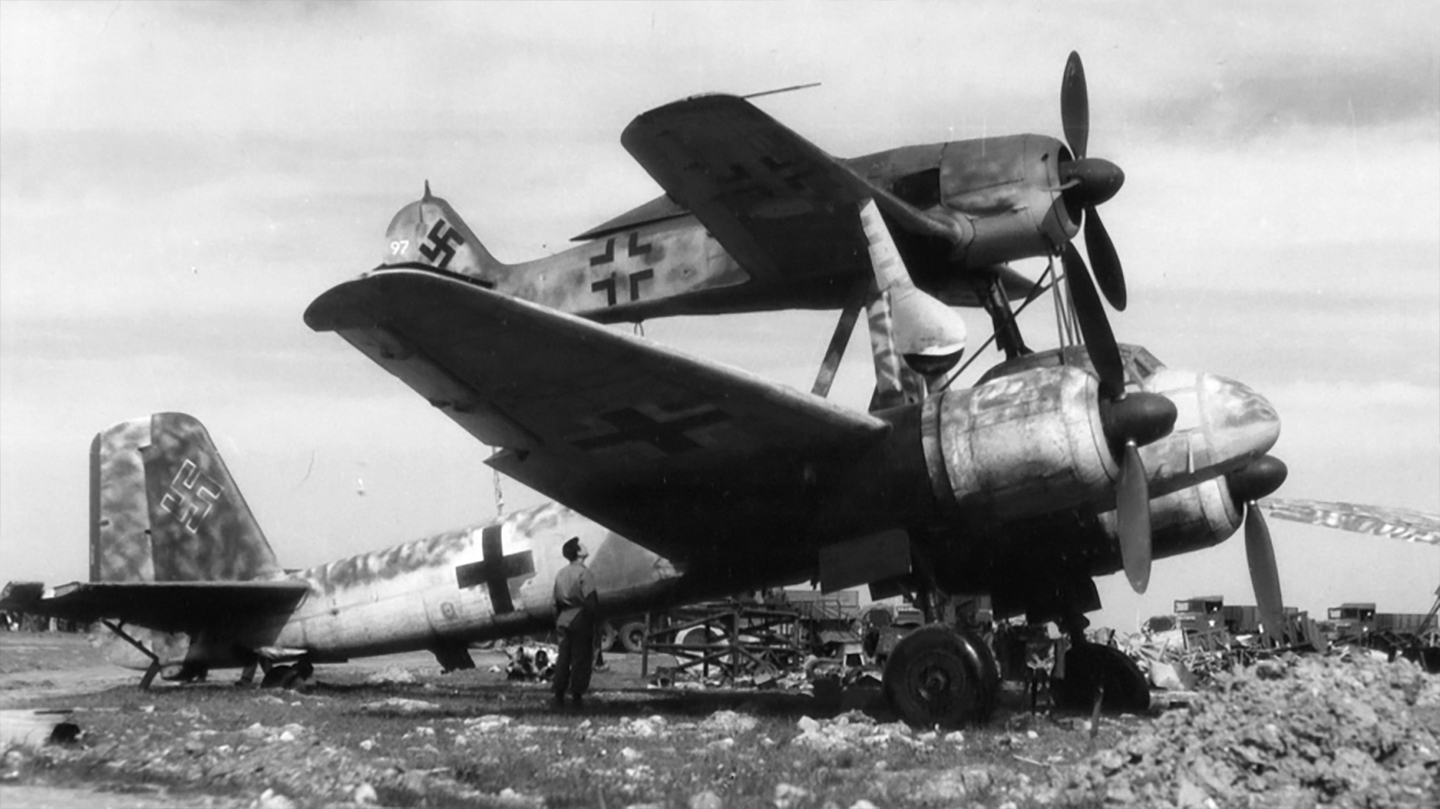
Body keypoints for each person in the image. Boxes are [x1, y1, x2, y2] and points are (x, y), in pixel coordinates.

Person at [552, 536, 598, 708]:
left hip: (563, 619)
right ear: (578, 552)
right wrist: (595, 621)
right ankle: (577, 696)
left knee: (563, 658)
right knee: (581, 659)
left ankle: (558, 695)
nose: (586, 546)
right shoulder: (585, 573)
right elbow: (591, 600)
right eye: (582, 545)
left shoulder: (560, 574)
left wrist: (557, 621)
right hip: (580, 618)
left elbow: (554, 602)